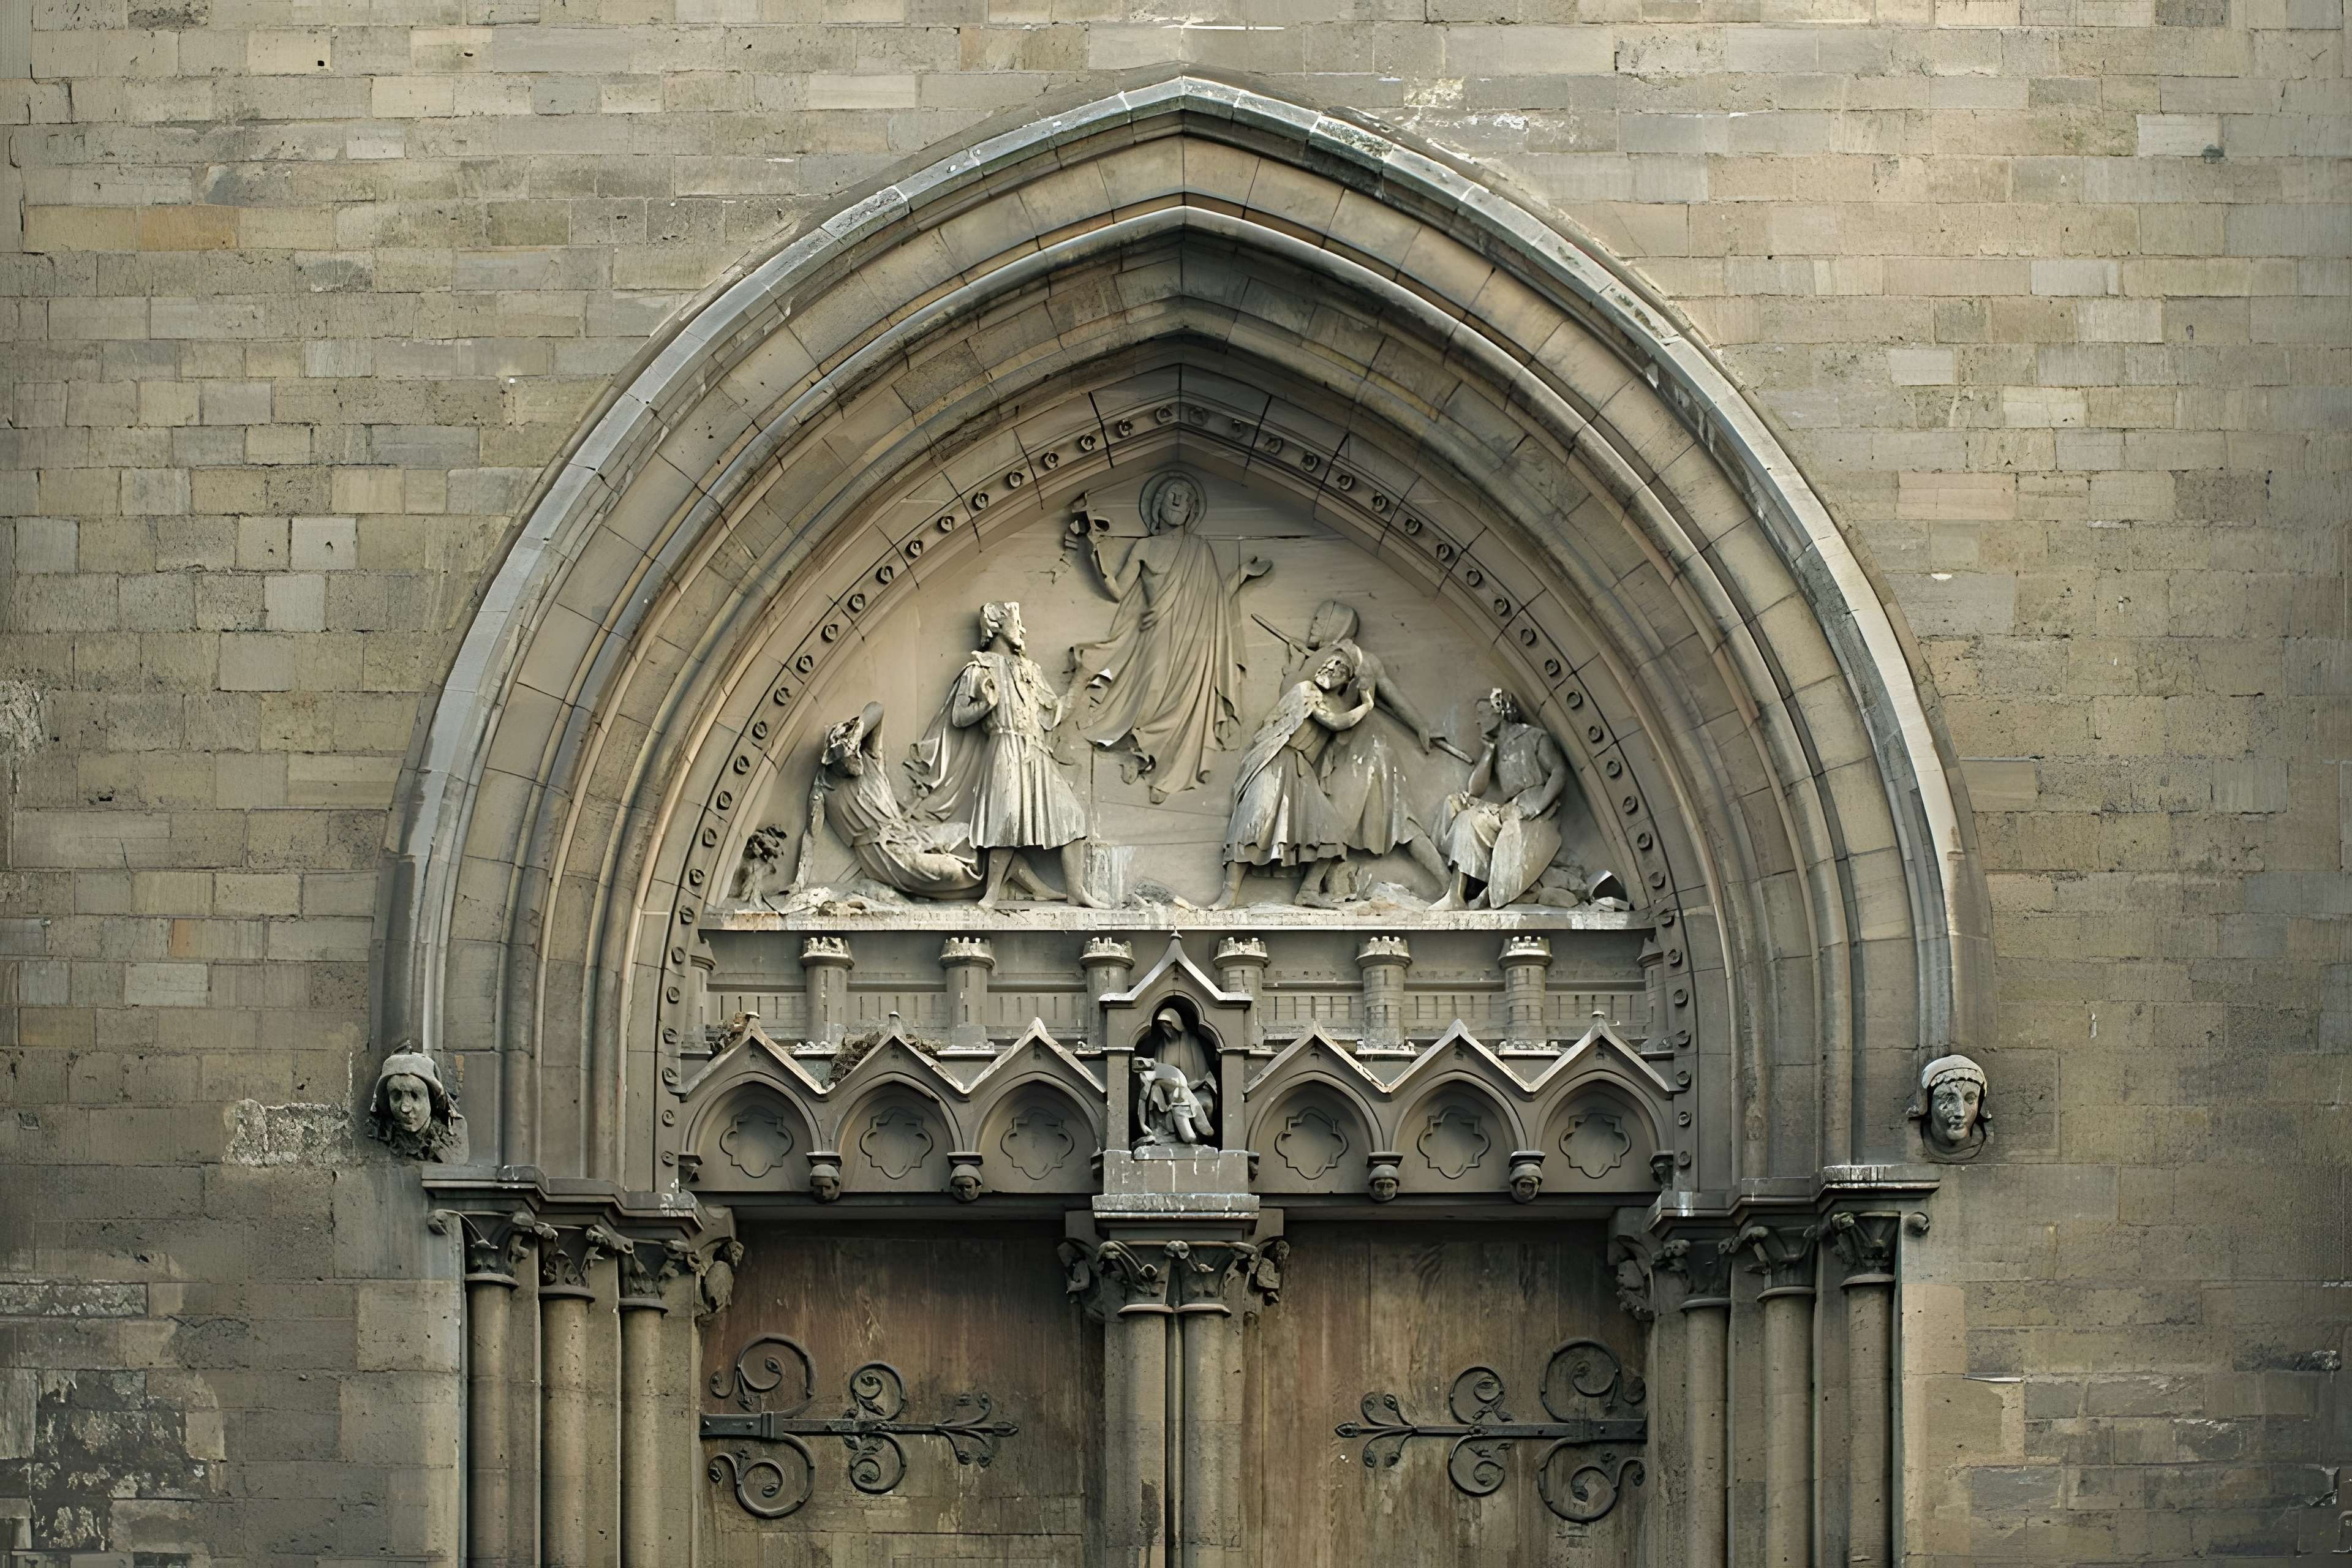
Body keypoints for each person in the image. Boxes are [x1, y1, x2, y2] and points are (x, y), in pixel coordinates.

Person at [1067, 470, 1270, 802]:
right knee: (1152, 692)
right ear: (1158, 504)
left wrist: (1242, 576)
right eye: (1171, 495)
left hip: (1195, 640)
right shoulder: (1144, 547)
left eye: (1185, 497)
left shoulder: (1199, 550)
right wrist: (1092, 552)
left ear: (1192, 510)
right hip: (1157, 633)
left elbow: (1215, 598)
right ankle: (1138, 746)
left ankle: (1160, 765)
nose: (1178, 500)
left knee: (1188, 704)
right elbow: (1118, 590)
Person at [911, 601, 1102, 909]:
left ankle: (1076, 891)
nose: (1023, 629)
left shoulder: (1031, 670)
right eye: (1017, 621)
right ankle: (993, 892)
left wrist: (1081, 679)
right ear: (997, 625)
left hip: (1036, 753)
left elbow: (1052, 715)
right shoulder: (979, 668)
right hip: (1004, 749)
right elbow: (959, 717)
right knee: (1005, 819)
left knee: (1072, 817)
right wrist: (985, 705)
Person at [1261, 598, 1450, 891]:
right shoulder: (1364, 660)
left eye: (1318, 620)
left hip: (1358, 751)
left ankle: (1309, 888)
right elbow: (1392, 695)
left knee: (1339, 822)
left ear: (1335, 624)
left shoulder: (1327, 659)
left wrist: (1296, 665)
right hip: (1367, 748)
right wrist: (1420, 726)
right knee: (1399, 822)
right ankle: (1447, 883)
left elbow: (1290, 696)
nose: (1312, 626)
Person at [790, 701, 1052, 902]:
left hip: (908, 833)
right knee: (949, 872)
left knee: (971, 836)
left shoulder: (870, 759)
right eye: (848, 755)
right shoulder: (824, 790)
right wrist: (800, 881)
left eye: (855, 750)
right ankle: (988, 886)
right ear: (834, 758)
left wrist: (857, 731)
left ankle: (1038, 888)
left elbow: (877, 709)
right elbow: (811, 837)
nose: (855, 759)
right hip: (885, 855)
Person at [1213, 649, 1376, 908]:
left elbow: (1339, 739)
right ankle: (1228, 895)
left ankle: (1309, 891)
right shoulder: (1306, 690)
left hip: (1300, 770)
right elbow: (1335, 723)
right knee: (1253, 823)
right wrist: (1367, 706)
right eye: (1328, 662)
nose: (1330, 668)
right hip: (1275, 760)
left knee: (1330, 831)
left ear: (1347, 682)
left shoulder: (1333, 703)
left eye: (1341, 668)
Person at [1430, 688, 1573, 911]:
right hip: (1510, 809)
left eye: (1482, 713)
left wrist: (1538, 807)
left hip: (1531, 808)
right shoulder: (1498, 747)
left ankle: (1488, 890)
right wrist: (1488, 751)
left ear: (1499, 711)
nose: (1477, 721)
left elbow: (1558, 772)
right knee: (1465, 817)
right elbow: (1475, 789)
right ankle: (1455, 895)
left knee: (1486, 822)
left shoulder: (1533, 737)